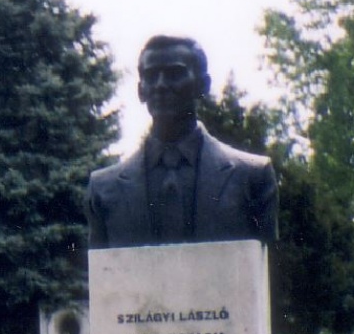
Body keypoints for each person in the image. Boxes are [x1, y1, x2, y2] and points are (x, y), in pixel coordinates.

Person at [86, 35, 278, 249]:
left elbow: (265, 264)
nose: (160, 85)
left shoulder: (252, 178)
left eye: (174, 74)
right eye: (151, 76)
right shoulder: (103, 189)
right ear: (141, 91)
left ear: (203, 85)